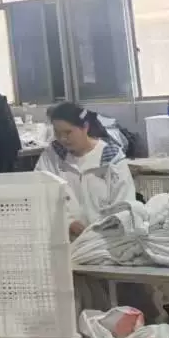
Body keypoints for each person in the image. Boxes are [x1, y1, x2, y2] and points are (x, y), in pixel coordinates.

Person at [36, 101, 134, 236]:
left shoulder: (110, 158)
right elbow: (42, 194)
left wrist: (108, 228)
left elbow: (124, 202)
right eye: (57, 133)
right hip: (65, 236)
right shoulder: (52, 156)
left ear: (85, 127)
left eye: (68, 132)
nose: (63, 138)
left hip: (106, 239)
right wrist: (68, 222)